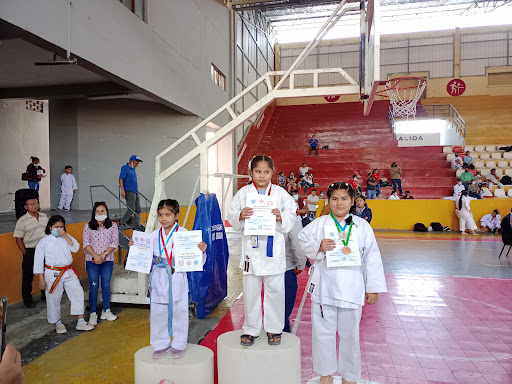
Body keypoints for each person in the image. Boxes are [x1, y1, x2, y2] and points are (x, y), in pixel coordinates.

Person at [298, 182, 386, 384]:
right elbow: (302, 239)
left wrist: (372, 288)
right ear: (328, 201)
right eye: (334, 199)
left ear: (353, 201)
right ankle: (325, 374)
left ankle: (349, 376)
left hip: (352, 288)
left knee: (350, 336)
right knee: (323, 333)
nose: (339, 203)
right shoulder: (320, 223)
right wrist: (318, 246)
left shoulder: (362, 226)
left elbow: (372, 257)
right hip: (324, 287)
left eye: (344, 199)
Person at [227, 155, 296, 347]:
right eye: (258, 172)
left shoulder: (281, 194)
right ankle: (251, 328)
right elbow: (231, 213)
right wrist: (240, 215)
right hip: (252, 249)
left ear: (272, 172)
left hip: (273, 250)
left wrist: (281, 216)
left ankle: (274, 328)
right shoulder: (243, 193)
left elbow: (292, 213)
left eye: (266, 172)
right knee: (250, 291)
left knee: (275, 290)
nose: (262, 176)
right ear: (251, 173)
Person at [129, 199, 206, 359]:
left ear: (176, 215)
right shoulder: (153, 235)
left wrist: (201, 251)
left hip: (177, 276)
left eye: (168, 215)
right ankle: (160, 344)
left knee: (180, 312)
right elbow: (146, 258)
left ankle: (178, 344)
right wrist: (136, 247)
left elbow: (197, 260)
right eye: (160, 215)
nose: (163, 219)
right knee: (158, 312)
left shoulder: (185, 234)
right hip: (159, 276)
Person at [34, 215, 95, 333]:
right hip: (52, 273)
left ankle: (81, 321)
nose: (59, 229)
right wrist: (41, 278)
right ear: (50, 227)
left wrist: (65, 235)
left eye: (61, 227)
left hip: (68, 271)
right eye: (56, 227)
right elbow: (38, 261)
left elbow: (76, 248)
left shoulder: (66, 237)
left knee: (78, 292)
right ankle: (58, 323)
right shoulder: (44, 241)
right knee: (53, 298)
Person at [83, 202, 119, 325]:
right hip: (92, 261)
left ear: (106, 212)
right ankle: (93, 313)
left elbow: (114, 243)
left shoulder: (113, 226)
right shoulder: (88, 226)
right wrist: (95, 256)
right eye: (97, 211)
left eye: (102, 211)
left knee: (106, 286)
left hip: (107, 261)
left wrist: (103, 255)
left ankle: (106, 310)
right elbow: (86, 244)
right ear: (94, 213)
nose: (100, 213)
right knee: (93, 286)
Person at [13, 197, 48, 308]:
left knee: (47, 274)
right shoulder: (22, 220)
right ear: (25, 207)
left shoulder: (44, 216)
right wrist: (25, 252)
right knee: (28, 276)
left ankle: (45, 295)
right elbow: (18, 238)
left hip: (45, 250)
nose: (34, 205)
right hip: (31, 250)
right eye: (30, 204)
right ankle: (27, 300)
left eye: (35, 203)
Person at [283, 216, 307, 333]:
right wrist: (300, 263)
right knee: (286, 300)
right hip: (286, 267)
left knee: (271, 301)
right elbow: (297, 244)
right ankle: (282, 328)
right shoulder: (292, 218)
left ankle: (272, 328)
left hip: (267, 267)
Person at [119, 155, 143, 229]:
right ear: (132, 162)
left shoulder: (133, 170)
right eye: (136, 163)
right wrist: (122, 190)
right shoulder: (125, 168)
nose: (137, 164)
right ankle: (121, 223)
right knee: (131, 208)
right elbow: (121, 179)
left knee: (138, 209)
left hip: (135, 192)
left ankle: (137, 224)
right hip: (129, 191)